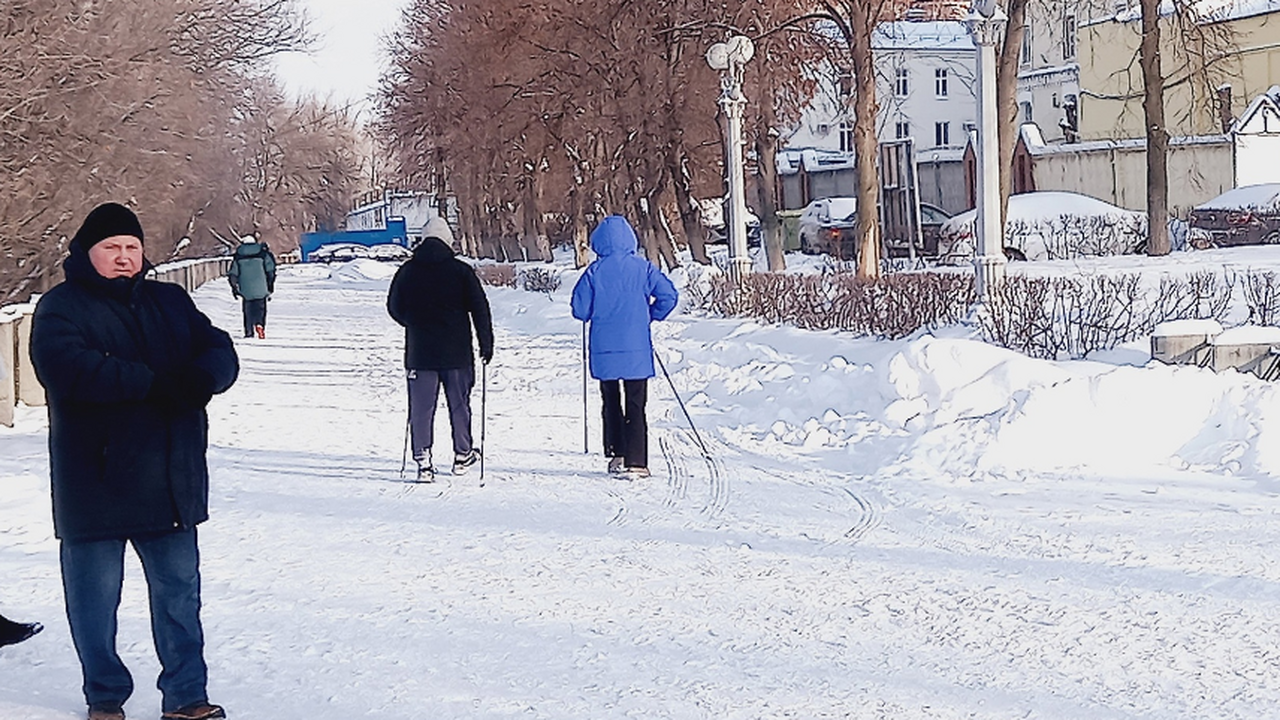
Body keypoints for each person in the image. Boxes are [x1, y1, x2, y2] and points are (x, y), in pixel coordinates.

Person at [29, 202, 239, 720]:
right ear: (87, 252)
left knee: (179, 599)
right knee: (95, 606)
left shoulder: (170, 301)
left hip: (170, 477)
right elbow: (67, 368)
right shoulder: (60, 307)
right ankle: (104, 696)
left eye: (131, 248)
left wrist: (201, 379)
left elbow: (219, 349)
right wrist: (153, 384)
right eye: (112, 249)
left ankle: (187, 697)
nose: (124, 258)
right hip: (94, 479)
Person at [387, 217, 494, 481]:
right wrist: (486, 343)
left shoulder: (407, 271)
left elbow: (394, 306)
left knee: (421, 408)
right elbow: (480, 309)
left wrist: (412, 322)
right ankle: (462, 454)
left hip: (419, 353)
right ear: (448, 240)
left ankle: (423, 460)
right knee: (459, 405)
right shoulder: (461, 272)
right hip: (457, 353)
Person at [570, 215, 678, 478]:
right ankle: (637, 462)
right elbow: (669, 296)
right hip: (636, 348)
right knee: (636, 404)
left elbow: (580, 310)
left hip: (604, 349)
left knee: (610, 401)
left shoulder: (594, 272)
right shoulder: (643, 268)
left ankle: (616, 453)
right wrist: (650, 314)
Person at [226, 233, 276, 339]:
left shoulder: (238, 256)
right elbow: (270, 270)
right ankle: (260, 324)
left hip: (245, 288)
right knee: (261, 308)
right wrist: (270, 285)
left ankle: (249, 332)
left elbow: (233, 274)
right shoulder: (262, 254)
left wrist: (234, 288)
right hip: (261, 286)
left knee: (248, 310)